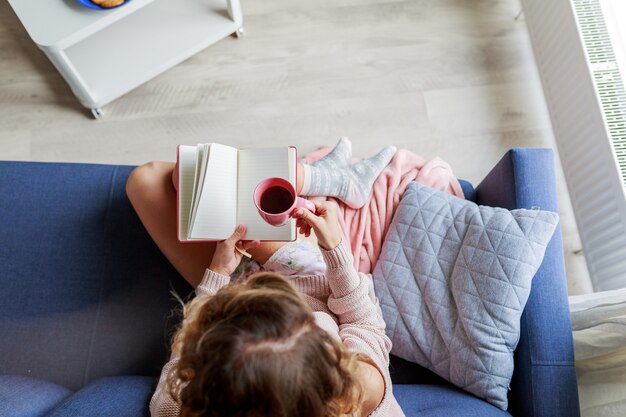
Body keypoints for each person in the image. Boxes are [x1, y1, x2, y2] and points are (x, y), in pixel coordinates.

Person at [126, 138, 406, 417]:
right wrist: (335, 250)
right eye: (307, 323)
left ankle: (320, 178)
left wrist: (218, 276)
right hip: (305, 281)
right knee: (204, 180)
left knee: (156, 177)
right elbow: (364, 322)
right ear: (330, 374)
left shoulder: (178, 405)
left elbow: (183, 356)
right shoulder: (361, 392)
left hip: (231, 289)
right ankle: (336, 181)